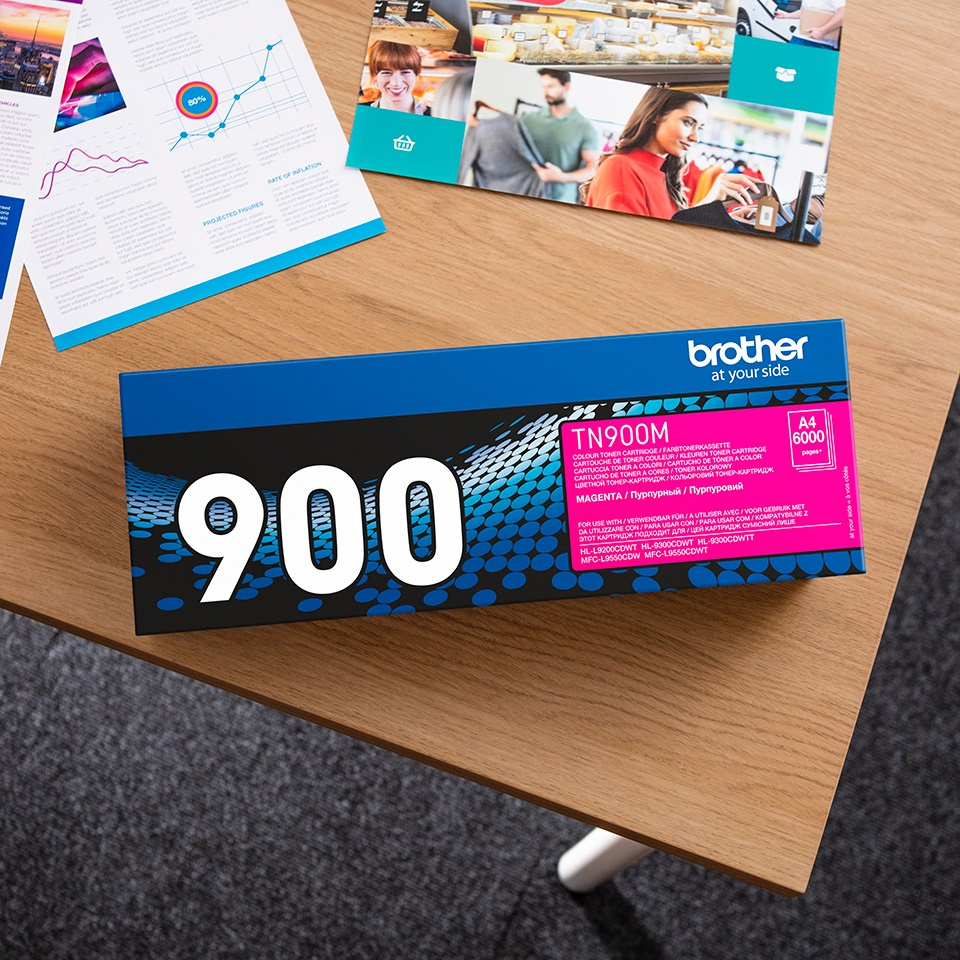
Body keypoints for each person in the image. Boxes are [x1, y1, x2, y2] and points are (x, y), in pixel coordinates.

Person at [583, 87, 758, 220]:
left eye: (700, 128)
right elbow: (634, 243)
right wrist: (707, 205)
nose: (695, 137)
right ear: (656, 115)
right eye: (688, 123)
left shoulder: (666, 176)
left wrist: (719, 220)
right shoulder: (621, 167)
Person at [521, 69, 599, 204]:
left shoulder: (585, 127)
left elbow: (592, 169)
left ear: (566, 86)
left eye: (551, 86)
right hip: (524, 193)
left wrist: (561, 177)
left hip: (560, 200)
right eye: (543, 87)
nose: (546, 92)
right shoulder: (529, 119)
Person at [362, 40, 431, 115]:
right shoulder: (359, 113)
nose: (396, 83)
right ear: (374, 76)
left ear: (416, 74)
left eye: (405, 72)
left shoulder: (435, 116)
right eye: (387, 72)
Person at [776, 0, 844, 49]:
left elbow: (843, 13)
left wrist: (822, 30)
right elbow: (804, 12)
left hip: (820, 43)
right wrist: (786, 16)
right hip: (799, 37)